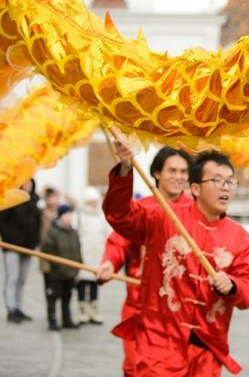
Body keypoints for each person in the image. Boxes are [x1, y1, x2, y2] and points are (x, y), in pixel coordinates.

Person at [103, 139, 249, 376]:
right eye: (217, 181)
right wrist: (125, 168)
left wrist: (233, 286)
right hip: (159, 341)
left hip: (207, 347)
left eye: (230, 181)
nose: (226, 188)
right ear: (195, 188)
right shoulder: (163, 217)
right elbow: (119, 216)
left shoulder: (239, 237)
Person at [97, 146, 194, 376]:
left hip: (183, 312)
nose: (178, 177)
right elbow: (119, 241)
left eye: (183, 172)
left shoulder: (197, 211)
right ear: (157, 173)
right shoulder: (143, 209)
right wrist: (110, 262)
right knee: (138, 368)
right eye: (172, 170)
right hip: (141, 306)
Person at [0, 179, 41, 323]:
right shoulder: (13, 199)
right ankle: (11, 308)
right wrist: (8, 236)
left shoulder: (34, 201)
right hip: (12, 246)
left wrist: (35, 241)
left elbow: (37, 224)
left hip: (28, 248)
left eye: (30, 183)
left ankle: (18, 307)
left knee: (22, 279)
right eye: (26, 183)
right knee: (12, 278)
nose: (28, 185)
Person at [41, 204, 83, 330]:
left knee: (67, 297)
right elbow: (47, 250)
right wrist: (57, 264)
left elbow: (77, 250)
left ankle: (66, 319)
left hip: (70, 272)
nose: (69, 217)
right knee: (53, 297)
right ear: (60, 216)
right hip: (57, 272)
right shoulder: (53, 232)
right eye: (66, 215)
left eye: (70, 215)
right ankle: (52, 320)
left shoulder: (73, 232)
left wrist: (78, 265)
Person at [75, 186, 110, 324]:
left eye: (96, 201)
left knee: (95, 283)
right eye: (91, 202)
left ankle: (93, 310)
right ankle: (83, 310)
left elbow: (108, 235)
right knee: (83, 282)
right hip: (83, 255)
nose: (94, 204)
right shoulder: (79, 216)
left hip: (98, 256)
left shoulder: (101, 217)